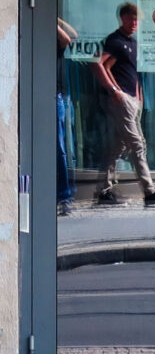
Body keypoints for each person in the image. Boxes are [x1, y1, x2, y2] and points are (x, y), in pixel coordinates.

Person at [90, 2, 155, 206]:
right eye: (131, 19)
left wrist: (137, 97)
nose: (134, 23)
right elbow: (97, 63)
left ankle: (104, 190)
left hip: (131, 101)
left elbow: (110, 67)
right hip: (122, 101)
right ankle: (149, 191)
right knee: (137, 144)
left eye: (137, 20)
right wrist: (114, 91)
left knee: (116, 147)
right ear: (123, 18)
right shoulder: (116, 40)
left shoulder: (132, 43)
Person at [57, 18, 78, 216]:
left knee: (60, 148)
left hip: (55, 96)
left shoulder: (56, 38)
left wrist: (54, 19)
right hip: (42, 93)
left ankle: (64, 196)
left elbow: (71, 36)